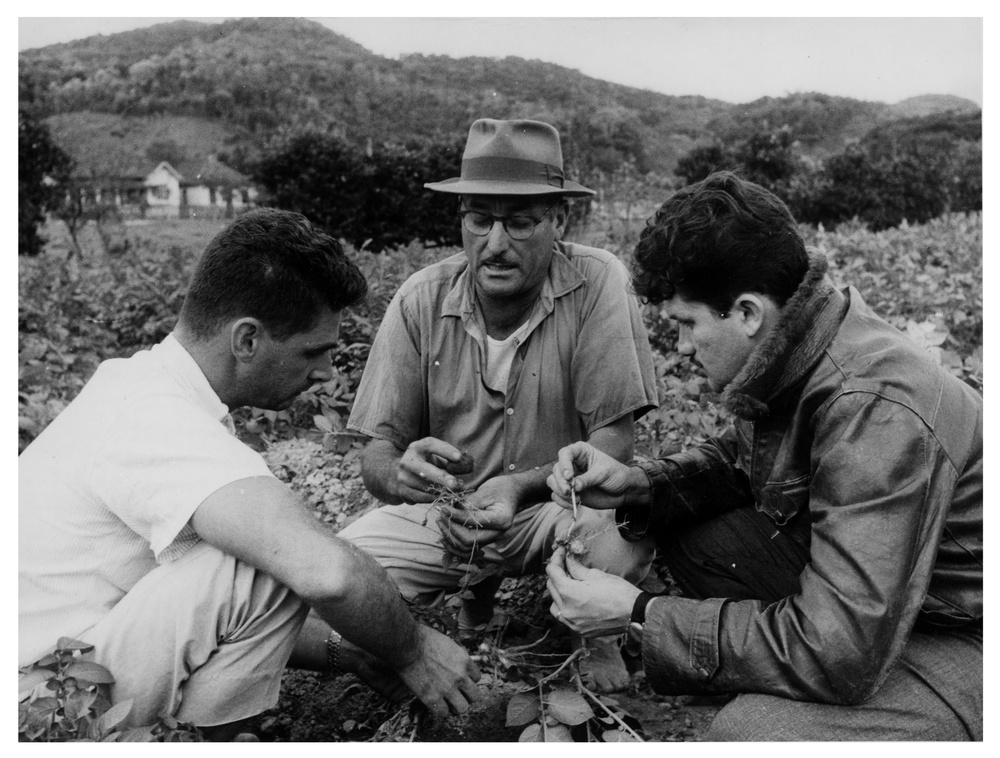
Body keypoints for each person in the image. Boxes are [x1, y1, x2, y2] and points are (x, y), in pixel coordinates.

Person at [545, 171, 982, 741]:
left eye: (685, 323)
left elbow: (840, 648)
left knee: (747, 735)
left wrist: (639, 613)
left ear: (747, 313)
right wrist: (634, 484)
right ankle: (798, 691)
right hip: (907, 594)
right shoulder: (804, 336)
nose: (679, 347)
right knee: (702, 540)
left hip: (963, 629)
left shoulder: (876, 407)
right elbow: (742, 460)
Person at [18, 209, 480, 740]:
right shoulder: (155, 417)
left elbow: (199, 609)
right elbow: (329, 575)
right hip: (40, 712)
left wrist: (345, 650)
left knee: (263, 550)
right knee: (272, 558)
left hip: (53, 678)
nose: (328, 372)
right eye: (314, 351)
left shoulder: (145, 387)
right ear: (247, 340)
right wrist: (416, 650)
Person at [335, 118, 659, 692]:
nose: (496, 243)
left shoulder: (597, 283)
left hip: (554, 507)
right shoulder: (420, 300)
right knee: (344, 566)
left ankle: (595, 635)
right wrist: (401, 474)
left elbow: (613, 445)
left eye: (520, 222)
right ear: (461, 221)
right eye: (479, 219)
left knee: (622, 524)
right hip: (451, 518)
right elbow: (376, 455)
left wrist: (517, 488)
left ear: (559, 220)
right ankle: (470, 608)